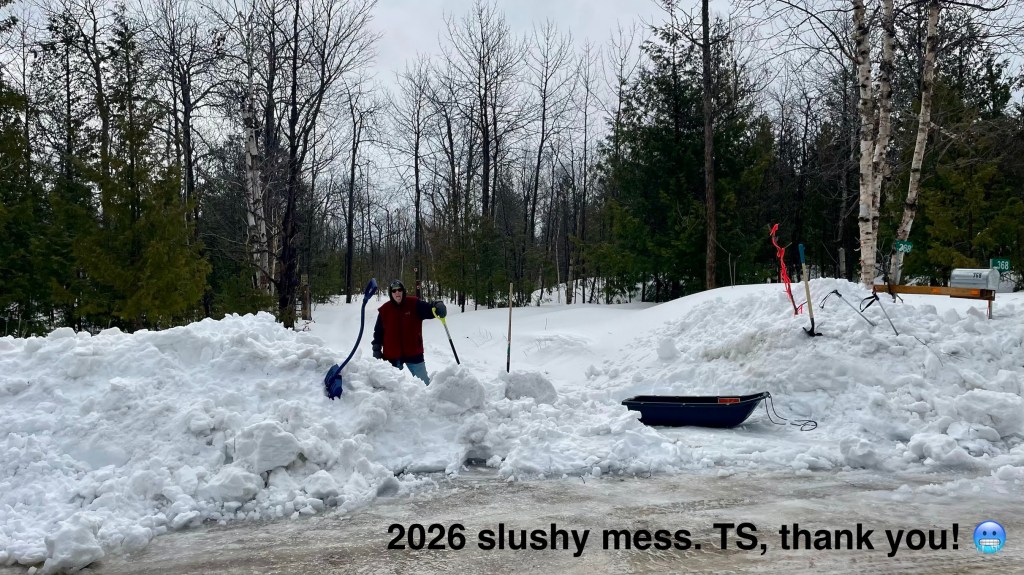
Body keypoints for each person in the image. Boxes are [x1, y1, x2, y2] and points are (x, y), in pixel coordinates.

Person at [371, 279, 447, 385]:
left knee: (425, 385)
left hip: (414, 352)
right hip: (392, 355)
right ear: (390, 293)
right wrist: (376, 349)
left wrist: (438, 305)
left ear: (403, 291)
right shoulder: (385, 310)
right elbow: (378, 332)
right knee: (391, 387)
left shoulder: (414, 304)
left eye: (399, 289)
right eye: (394, 290)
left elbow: (430, 309)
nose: (397, 292)